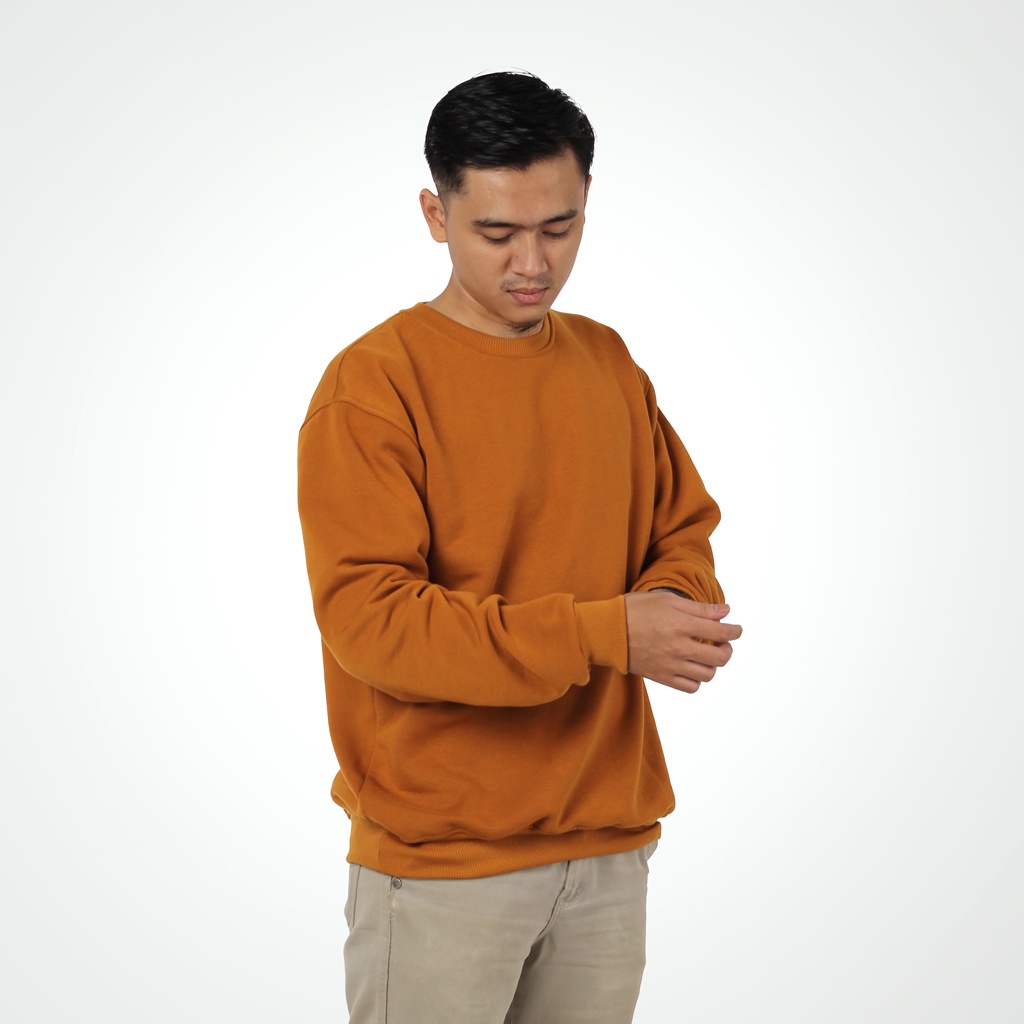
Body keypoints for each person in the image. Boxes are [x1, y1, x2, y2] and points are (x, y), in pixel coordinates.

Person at [297, 70, 742, 1024]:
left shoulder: (608, 361)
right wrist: (606, 634)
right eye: (497, 233)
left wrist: (670, 608)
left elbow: (682, 529)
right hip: (444, 865)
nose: (532, 263)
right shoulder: (373, 386)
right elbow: (373, 626)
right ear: (436, 214)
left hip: (609, 846)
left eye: (560, 227)